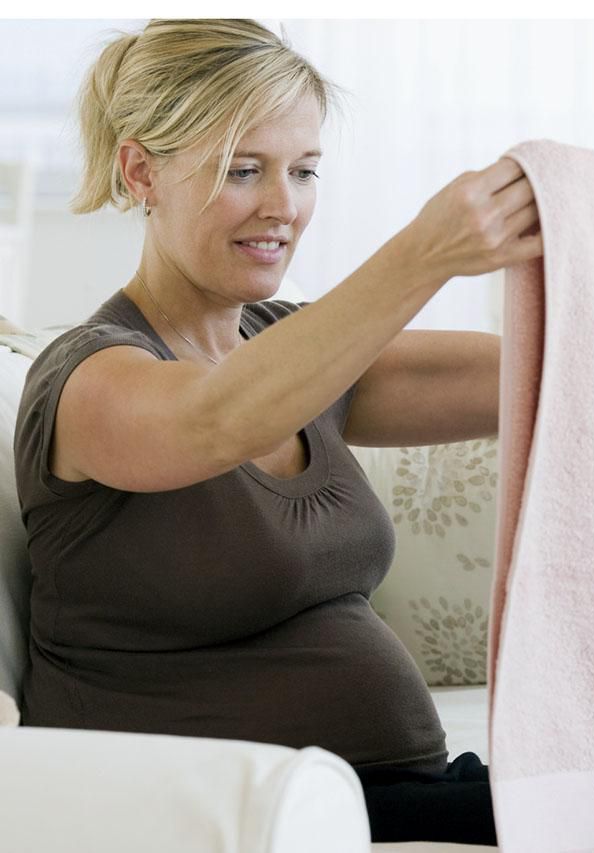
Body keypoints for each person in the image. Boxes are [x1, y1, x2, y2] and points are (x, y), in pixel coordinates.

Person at [12, 19, 541, 846]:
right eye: (242, 169)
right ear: (141, 170)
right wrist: (424, 254)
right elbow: (217, 416)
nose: (284, 205)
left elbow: (537, 378)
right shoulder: (87, 380)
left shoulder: (287, 346)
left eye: (303, 170)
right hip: (236, 815)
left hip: (390, 792)